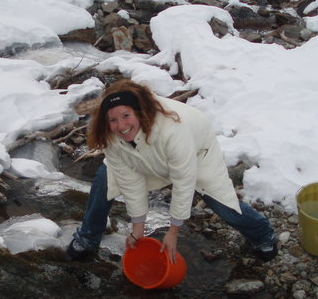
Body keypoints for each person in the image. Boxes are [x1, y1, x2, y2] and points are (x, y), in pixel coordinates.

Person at [67, 79, 277, 263]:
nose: (121, 125)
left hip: (195, 153)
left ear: (138, 111)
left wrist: (173, 230)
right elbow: (129, 179)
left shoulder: (172, 127)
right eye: (113, 119)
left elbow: (184, 180)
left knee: (222, 203)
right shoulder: (110, 136)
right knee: (106, 179)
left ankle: (263, 234)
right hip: (148, 156)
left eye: (126, 115)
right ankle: (88, 237)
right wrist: (138, 229)